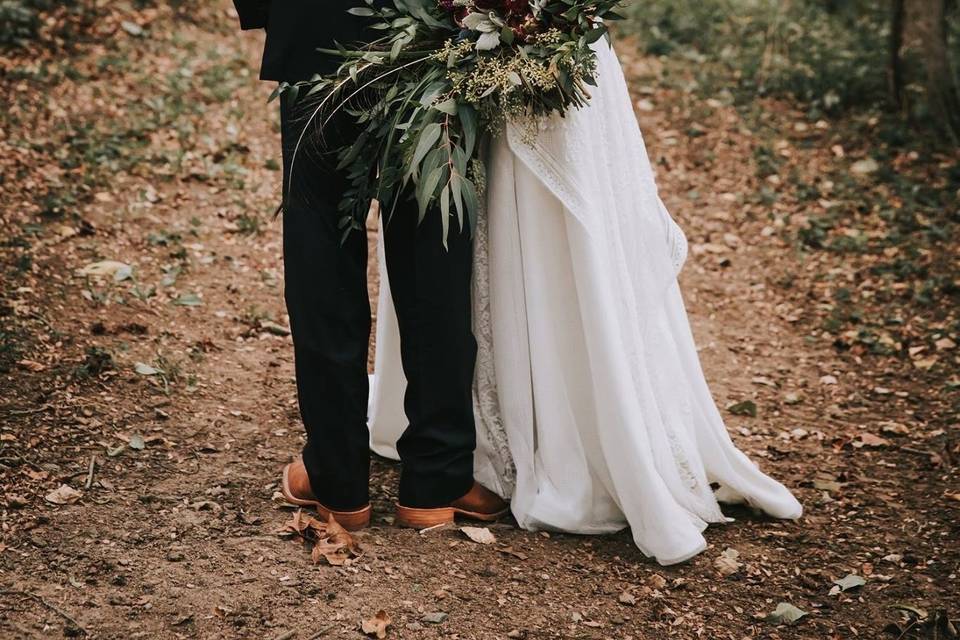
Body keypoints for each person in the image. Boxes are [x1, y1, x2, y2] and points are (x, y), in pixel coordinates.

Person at [369, 40, 803, 564]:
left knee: (551, 226)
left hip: (542, 54)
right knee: (462, 211)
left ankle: (544, 433)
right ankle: (457, 438)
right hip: (461, 56)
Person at [232, 0, 509, 530]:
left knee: (320, 237)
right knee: (436, 240)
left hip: (317, 20)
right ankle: (437, 477)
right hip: (438, 25)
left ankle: (337, 477)